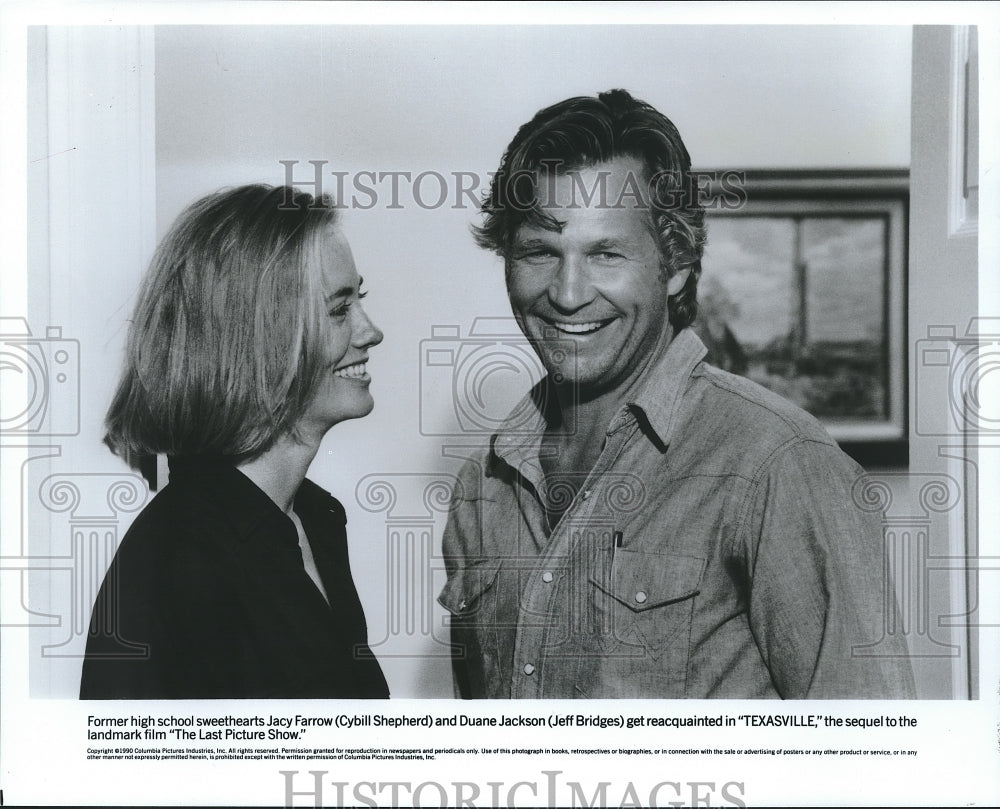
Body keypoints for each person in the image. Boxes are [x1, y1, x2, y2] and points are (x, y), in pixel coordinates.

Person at [438, 89, 915, 699]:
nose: (568, 292)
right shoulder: (483, 485)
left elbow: (875, 763)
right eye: (540, 251)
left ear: (678, 263)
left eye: (605, 253)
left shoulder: (778, 464)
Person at [80, 184, 389, 699]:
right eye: (339, 309)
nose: (370, 331)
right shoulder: (177, 563)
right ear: (261, 336)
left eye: (361, 299)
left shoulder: (316, 519)